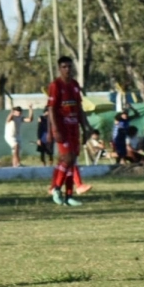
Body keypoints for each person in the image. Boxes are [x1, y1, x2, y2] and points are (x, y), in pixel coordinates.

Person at [46, 56, 93, 207]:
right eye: (64, 67)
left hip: (74, 128)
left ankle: (68, 196)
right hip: (62, 128)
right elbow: (51, 109)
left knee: (71, 160)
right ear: (59, 69)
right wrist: (54, 130)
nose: (67, 69)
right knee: (67, 158)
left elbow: (79, 108)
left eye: (69, 66)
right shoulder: (55, 85)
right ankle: (56, 188)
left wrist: (85, 127)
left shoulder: (74, 85)